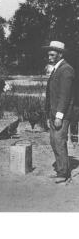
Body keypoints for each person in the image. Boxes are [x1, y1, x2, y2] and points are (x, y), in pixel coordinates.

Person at [43, 41, 75, 183]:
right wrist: (48, 114)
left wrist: (59, 116)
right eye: (48, 54)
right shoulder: (57, 69)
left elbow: (65, 96)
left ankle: (63, 173)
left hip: (61, 115)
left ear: (60, 54)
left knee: (59, 141)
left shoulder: (66, 70)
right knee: (53, 141)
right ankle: (61, 170)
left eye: (52, 54)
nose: (49, 57)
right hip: (53, 113)